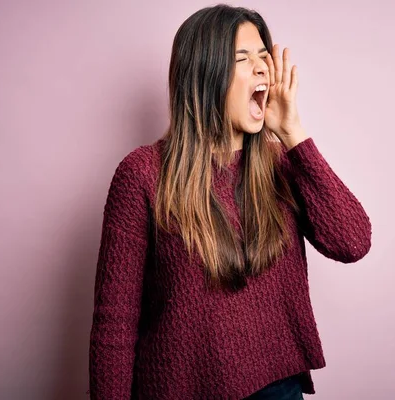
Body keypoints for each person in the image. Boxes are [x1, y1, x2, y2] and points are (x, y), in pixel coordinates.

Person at [88, 4, 372, 399]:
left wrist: (292, 133)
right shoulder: (142, 174)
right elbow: (114, 324)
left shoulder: (280, 162)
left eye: (263, 56)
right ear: (204, 75)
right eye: (242, 58)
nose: (262, 69)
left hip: (277, 390)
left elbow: (353, 242)